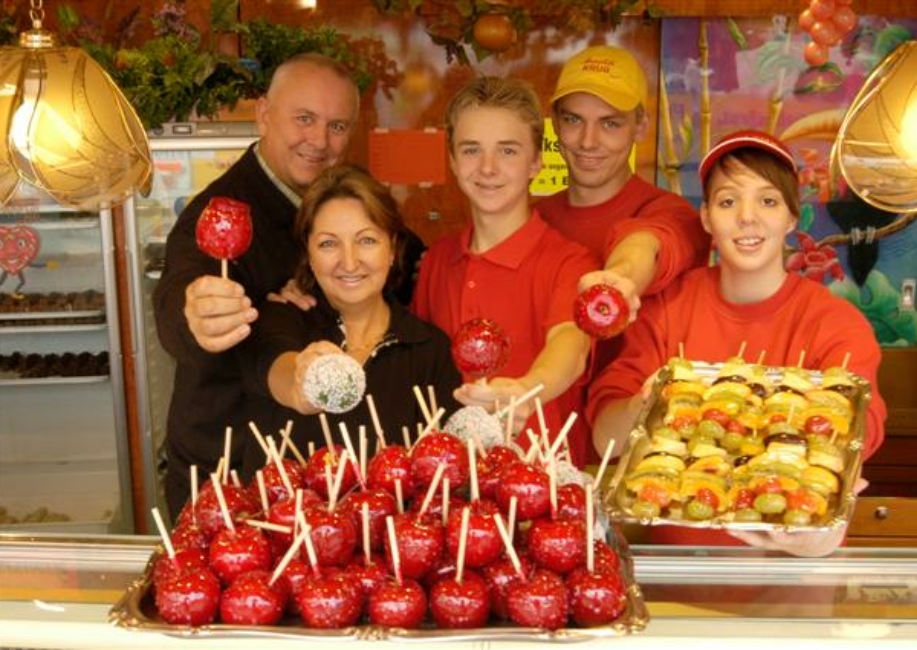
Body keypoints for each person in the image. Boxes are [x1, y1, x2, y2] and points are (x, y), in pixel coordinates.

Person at [586, 130, 887, 556]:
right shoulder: (668, 307)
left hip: (789, 574)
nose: (747, 217)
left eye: (768, 201)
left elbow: (862, 428)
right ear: (706, 217)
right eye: (728, 201)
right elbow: (605, 440)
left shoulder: (835, 324)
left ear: (792, 217)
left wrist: (813, 540)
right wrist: (641, 405)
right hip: (678, 575)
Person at [153, 53, 421, 517]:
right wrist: (195, 313)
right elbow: (181, 293)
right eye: (304, 119)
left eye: (337, 126)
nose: (319, 140)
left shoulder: (338, 197)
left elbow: (402, 257)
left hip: (314, 474)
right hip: (222, 471)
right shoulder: (218, 213)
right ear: (263, 113)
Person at [411, 76, 598, 466]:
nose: (488, 168)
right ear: (452, 160)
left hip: (543, 489)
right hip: (449, 490)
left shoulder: (570, 261)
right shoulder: (438, 260)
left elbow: (571, 345)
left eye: (508, 151)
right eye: (471, 150)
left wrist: (525, 390)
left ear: (536, 161)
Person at [239, 163, 461, 478]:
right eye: (329, 243)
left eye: (367, 240)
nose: (349, 261)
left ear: (392, 249)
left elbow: (448, 472)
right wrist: (302, 383)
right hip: (291, 525)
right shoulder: (279, 319)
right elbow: (277, 365)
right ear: (309, 253)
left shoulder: (430, 350)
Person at [538, 44, 711, 323]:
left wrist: (617, 280)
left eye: (610, 124)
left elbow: (648, 242)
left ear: (640, 125)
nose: (588, 141)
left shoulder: (674, 214)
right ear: (555, 122)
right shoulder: (533, 219)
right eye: (573, 120)